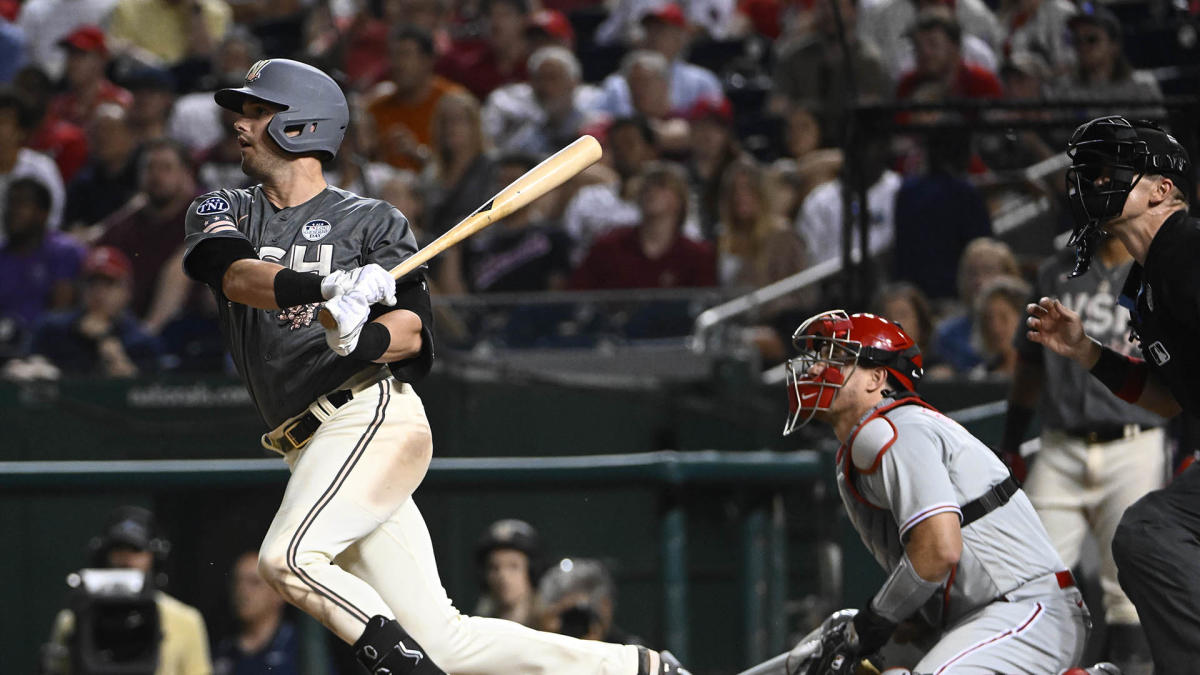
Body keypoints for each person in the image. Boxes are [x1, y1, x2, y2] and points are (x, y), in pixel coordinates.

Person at [180, 57, 686, 675]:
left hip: (367, 417)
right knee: (444, 640)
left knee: (287, 559)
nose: (240, 124)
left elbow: (413, 333)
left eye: (259, 112)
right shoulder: (221, 206)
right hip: (308, 443)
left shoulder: (374, 222)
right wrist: (328, 286)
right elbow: (234, 276)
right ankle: (634, 670)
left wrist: (359, 339)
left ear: (302, 125)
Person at [782, 309, 1089, 673]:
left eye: (837, 358)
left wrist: (871, 622)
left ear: (877, 377)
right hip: (981, 616)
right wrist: (904, 618)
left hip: (1025, 607)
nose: (816, 369)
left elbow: (939, 550)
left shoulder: (894, 429)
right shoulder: (876, 435)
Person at [1023, 115, 1198, 673]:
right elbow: (1167, 399)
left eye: (1115, 172)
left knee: (1150, 531)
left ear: (1162, 190)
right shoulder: (1143, 285)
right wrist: (1087, 352)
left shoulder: (1187, 247)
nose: (1098, 183)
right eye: (1093, 174)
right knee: (1146, 534)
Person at [1002, 235, 1164, 675]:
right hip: (1062, 444)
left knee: (1129, 589)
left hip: (1136, 441)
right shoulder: (1056, 272)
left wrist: (1188, 445)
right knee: (1027, 579)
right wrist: (1012, 441)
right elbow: (1030, 364)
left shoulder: (1159, 270)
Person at [43, 505, 212, 675]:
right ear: (104, 555)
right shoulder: (74, 619)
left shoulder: (186, 621)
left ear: (155, 557)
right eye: (117, 549)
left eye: (136, 550)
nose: (126, 560)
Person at [570, 161, 716, 290]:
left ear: (679, 199)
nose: (651, 191)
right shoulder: (609, 247)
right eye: (646, 186)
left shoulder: (696, 255)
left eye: (662, 186)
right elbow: (578, 293)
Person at [29, 245, 163, 377]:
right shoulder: (52, 329)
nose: (98, 292)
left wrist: (105, 341)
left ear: (127, 291)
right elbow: (22, 366)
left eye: (109, 283)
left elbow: (145, 392)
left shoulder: (141, 341)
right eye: (92, 283)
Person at [0, 177, 83, 353]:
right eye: (9, 203)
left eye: (20, 204)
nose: (11, 211)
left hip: (47, 347)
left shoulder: (64, 251)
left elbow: (62, 314)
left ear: (42, 213)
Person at [366, 24, 465, 171]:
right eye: (393, 56)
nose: (397, 64)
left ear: (428, 60)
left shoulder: (452, 102)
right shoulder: (376, 109)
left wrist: (418, 153)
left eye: (405, 55)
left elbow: (466, 164)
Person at [212, 551, 325, 675]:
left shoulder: (301, 650)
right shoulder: (222, 651)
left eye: (254, 582)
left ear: (279, 593)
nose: (242, 591)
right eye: (237, 581)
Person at [539, 558, 643, 645]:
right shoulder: (545, 651)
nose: (576, 623)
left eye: (581, 614)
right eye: (569, 615)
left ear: (606, 607)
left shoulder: (629, 656)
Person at [473, 519, 543, 628]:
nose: (503, 576)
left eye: (513, 566)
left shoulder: (551, 627)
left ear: (532, 572)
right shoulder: (476, 629)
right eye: (494, 568)